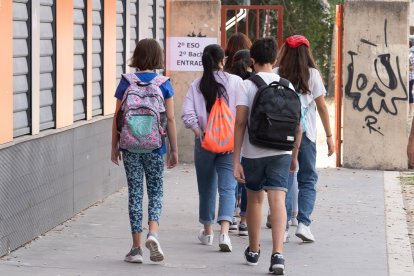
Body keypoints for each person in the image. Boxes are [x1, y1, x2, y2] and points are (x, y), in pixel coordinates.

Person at [233, 37, 301, 275]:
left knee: (254, 200)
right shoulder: (288, 85)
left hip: (254, 152)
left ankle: (253, 250)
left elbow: (240, 122)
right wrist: (293, 155)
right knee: (278, 200)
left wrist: (236, 159)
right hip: (282, 150)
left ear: (252, 61)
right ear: (274, 60)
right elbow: (297, 126)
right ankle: (278, 254)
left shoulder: (247, 85)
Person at [111, 38, 178, 263]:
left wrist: (114, 146)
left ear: (136, 56)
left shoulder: (125, 82)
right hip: (155, 146)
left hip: (129, 146)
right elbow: (169, 118)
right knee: (156, 191)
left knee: (135, 194)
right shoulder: (163, 83)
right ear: (158, 57)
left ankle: (136, 248)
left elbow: (117, 117)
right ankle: (153, 232)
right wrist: (174, 150)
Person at [181, 44, 243, 252]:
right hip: (230, 142)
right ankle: (224, 233)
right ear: (222, 60)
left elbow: (187, 115)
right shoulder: (235, 82)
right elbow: (243, 112)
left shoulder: (196, 85)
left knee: (206, 186)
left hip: (205, 142)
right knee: (228, 187)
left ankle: (208, 231)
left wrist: (201, 133)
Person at [275, 35, 334, 242]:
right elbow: (322, 107)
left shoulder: (276, 73)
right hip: (307, 135)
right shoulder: (313, 75)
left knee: (282, 180)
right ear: (306, 52)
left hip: (280, 134)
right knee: (308, 178)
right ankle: (303, 223)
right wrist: (329, 136)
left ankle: (281, 228)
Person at [224, 34, 253, 232]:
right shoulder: (252, 80)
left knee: (232, 172)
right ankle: (244, 219)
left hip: (229, 131)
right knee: (247, 177)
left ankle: (231, 212)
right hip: (250, 135)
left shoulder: (226, 77)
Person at [409, 41, 414, 115]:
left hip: (411, 77)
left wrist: (406, 66)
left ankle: (411, 110)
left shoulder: (411, 55)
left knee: (410, 93)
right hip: (408, 77)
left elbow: (413, 67)